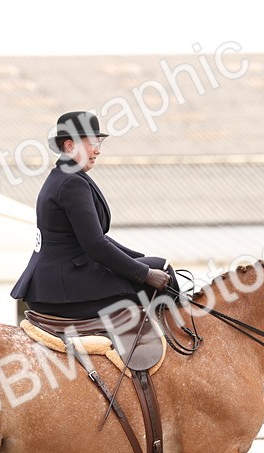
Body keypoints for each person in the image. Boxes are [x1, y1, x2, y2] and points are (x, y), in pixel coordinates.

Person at [10, 111, 176, 319]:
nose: (98, 150)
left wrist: (137, 260)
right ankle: (180, 336)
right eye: (92, 143)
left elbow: (96, 237)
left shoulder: (65, 177)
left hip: (59, 281)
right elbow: (95, 245)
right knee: (161, 272)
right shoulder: (71, 183)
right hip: (62, 288)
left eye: (99, 143)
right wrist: (145, 273)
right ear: (70, 146)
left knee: (157, 265)